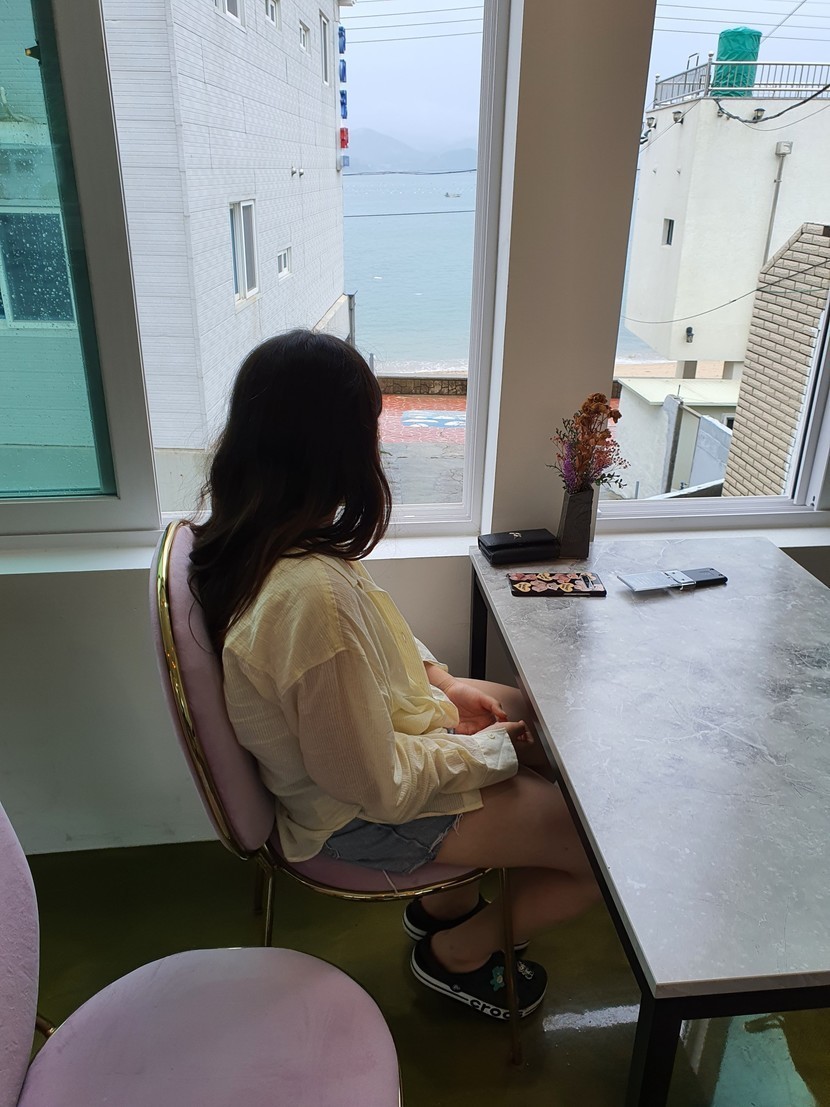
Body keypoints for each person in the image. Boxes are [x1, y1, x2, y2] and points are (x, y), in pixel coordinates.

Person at [189, 330, 599, 1020]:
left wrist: (445, 685)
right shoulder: (308, 600)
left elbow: (382, 630)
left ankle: (445, 902)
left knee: (540, 717)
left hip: (363, 766)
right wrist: (484, 752)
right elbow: (371, 782)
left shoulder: (268, 539)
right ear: (339, 448)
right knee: (594, 848)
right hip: (356, 815)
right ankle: (458, 953)